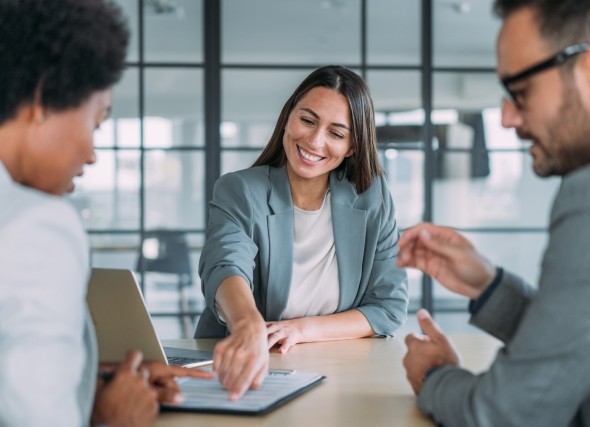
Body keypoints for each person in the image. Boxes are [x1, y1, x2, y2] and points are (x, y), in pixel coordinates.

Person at [398, 0, 590, 425]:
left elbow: (506, 413)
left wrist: (434, 375)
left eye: (520, 92)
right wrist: (488, 285)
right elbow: (584, 343)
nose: (507, 118)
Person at [0, 1, 211, 426]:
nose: (92, 154)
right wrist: (114, 419)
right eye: (96, 121)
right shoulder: (35, 226)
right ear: (42, 98)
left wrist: (80, 388)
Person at [195, 65, 409, 400]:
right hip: (249, 371)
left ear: (353, 146)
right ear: (288, 117)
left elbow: (388, 308)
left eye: (336, 133)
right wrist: (247, 323)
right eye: (307, 120)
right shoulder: (240, 189)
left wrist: (302, 329)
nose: (314, 141)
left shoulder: (373, 197)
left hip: (342, 372)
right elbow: (225, 264)